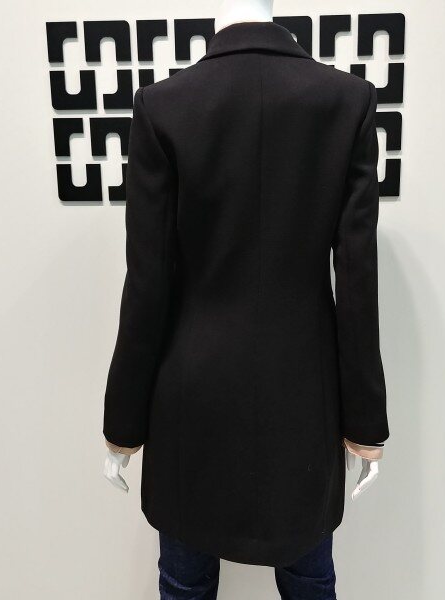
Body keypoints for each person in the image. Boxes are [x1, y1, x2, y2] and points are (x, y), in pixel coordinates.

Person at [102, 16, 389, 600]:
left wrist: (123, 424)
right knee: (310, 582)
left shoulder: (164, 105)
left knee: (184, 584)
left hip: (191, 396)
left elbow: (148, 281)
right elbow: (357, 281)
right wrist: (364, 423)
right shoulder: (345, 101)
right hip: (302, 397)